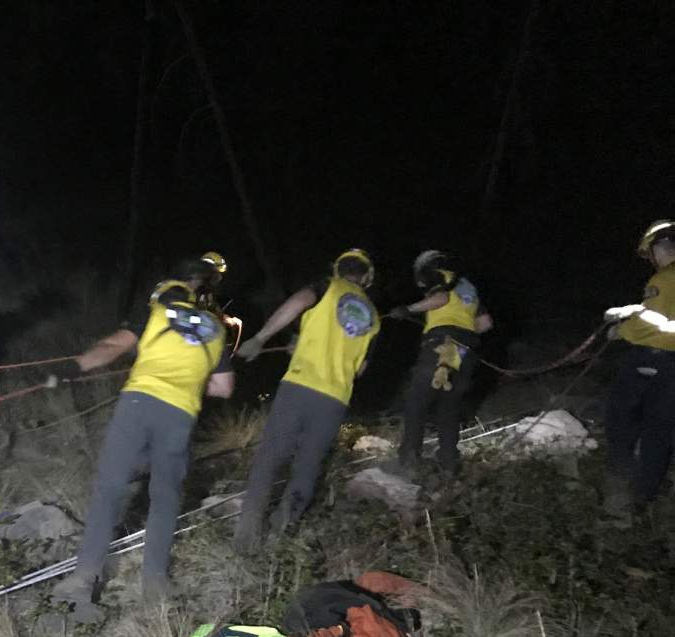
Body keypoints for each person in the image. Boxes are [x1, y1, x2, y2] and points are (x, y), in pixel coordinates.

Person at [51, 259, 234, 617]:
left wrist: (71, 369)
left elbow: (112, 346)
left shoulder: (156, 314)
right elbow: (224, 388)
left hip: (137, 404)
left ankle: (84, 577)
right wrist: (189, 378)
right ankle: (155, 583)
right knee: (165, 494)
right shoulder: (214, 328)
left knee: (110, 488)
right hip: (180, 413)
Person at [233, 249, 380, 550]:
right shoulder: (374, 318)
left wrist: (261, 338)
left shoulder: (326, 286)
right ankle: (279, 537)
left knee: (270, 458)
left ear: (338, 270)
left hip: (300, 386)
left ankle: (247, 537)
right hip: (335, 398)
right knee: (307, 467)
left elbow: (296, 303)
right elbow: (361, 368)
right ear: (367, 277)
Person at [387, 251, 493, 475]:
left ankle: (409, 461)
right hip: (465, 350)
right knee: (448, 408)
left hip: (441, 344)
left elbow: (441, 299)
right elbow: (485, 323)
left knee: (416, 401)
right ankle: (448, 464)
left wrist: (409, 309)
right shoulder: (468, 288)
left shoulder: (437, 276)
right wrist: (461, 333)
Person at [602, 220, 675, 515]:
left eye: (650, 255)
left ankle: (621, 485)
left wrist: (620, 332)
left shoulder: (666, 279)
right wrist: (628, 313)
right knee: (661, 429)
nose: (651, 261)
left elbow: (651, 323)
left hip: (654, 358)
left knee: (620, 418)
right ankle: (644, 497)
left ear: (659, 248)